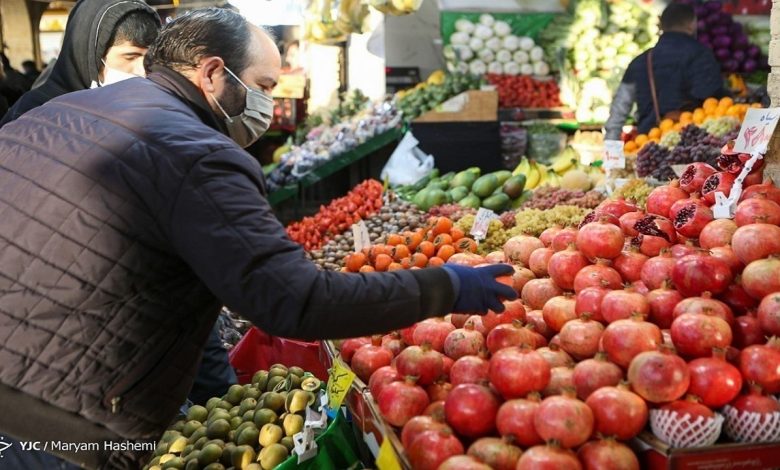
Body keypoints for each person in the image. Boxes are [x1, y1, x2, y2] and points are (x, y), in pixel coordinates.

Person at [0, 8, 515, 469]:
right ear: (212, 72)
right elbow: (294, 301)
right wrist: (444, 286)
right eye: (264, 86)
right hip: (66, 425)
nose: (268, 103)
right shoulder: (197, 152)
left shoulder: (56, 112)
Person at [0, 0, 160, 126]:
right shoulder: (32, 111)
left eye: (149, 58)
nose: (142, 71)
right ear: (90, 53)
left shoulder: (151, 105)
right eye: (130, 57)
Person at [605, 3, 727, 139]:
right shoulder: (702, 56)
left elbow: (618, 111)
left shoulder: (641, 61)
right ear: (692, 25)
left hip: (648, 142)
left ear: (661, 25)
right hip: (693, 141)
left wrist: (611, 147)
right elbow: (714, 100)